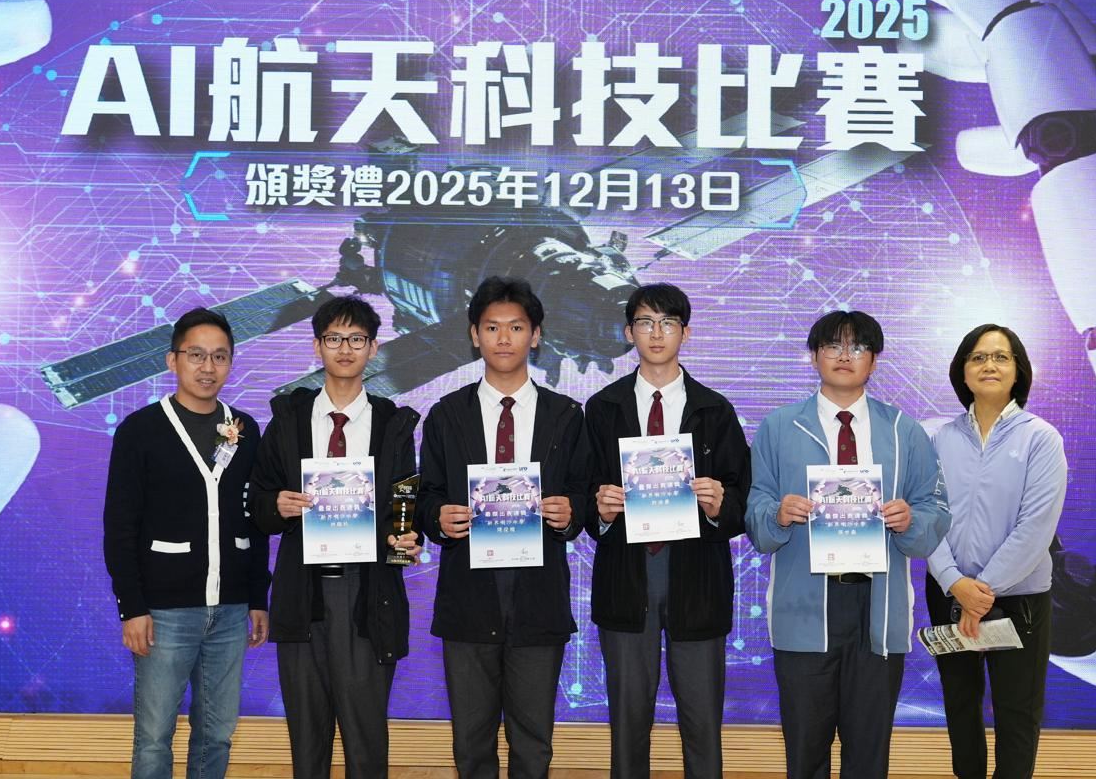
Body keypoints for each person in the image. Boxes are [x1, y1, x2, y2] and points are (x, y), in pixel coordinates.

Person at [745, 309, 950, 779]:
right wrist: (777, 514)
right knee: (805, 752)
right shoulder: (779, 427)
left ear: (874, 361)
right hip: (804, 606)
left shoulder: (904, 431)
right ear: (813, 356)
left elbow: (936, 510)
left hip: (877, 607)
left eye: (858, 347)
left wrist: (910, 519)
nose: (845, 355)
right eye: (833, 345)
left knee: (868, 754)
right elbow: (755, 512)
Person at [415, 276, 594, 779]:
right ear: (475, 335)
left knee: (533, 743)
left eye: (516, 327)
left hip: (539, 599)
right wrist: (437, 517)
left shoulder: (566, 415)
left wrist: (572, 512)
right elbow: (427, 495)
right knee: (471, 744)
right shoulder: (447, 415)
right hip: (468, 598)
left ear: (535, 336)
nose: (503, 338)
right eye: (492, 327)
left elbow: (584, 492)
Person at [251, 295, 422, 779]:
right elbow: (258, 500)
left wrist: (405, 544)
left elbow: (405, 505)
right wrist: (277, 505)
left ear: (374, 348)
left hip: (367, 594)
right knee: (307, 744)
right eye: (334, 339)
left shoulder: (393, 423)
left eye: (356, 339)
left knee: (366, 744)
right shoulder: (288, 419)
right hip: (302, 594)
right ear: (317, 346)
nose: (345, 349)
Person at [585, 283, 750, 779]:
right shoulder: (602, 407)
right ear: (628, 332)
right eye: (645, 322)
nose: (656, 333)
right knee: (628, 720)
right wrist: (600, 509)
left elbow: (743, 495)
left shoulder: (714, 409)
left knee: (702, 720)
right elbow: (581, 491)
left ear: (686, 333)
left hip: (696, 576)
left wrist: (721, 504)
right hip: (627, 575)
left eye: (668, 323)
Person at [102, 307, 271, 779]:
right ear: (172, 360)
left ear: (231, 362)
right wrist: (132, 607)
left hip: (231, 611)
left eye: (220, 356)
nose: (208, 367)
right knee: (154, 737)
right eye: (196, 355)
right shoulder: (140, 430)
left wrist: (258, 598)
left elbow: (254, 519)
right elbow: (120, 526)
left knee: (217, 734)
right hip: (164, 613)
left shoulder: (245, 429)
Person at [926, 325, 1067, 779]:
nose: (989, 365)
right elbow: (928, 515)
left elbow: (1036, 526)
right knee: (960, 706)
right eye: (978, 357)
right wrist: (955, 582)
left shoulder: (1041, 438)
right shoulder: (938, 438)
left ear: (1018, 371)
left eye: (1001, 357)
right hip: (949, 592)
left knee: (1017, 712)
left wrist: (982, 591)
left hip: (1019, 597)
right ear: (962, 371)